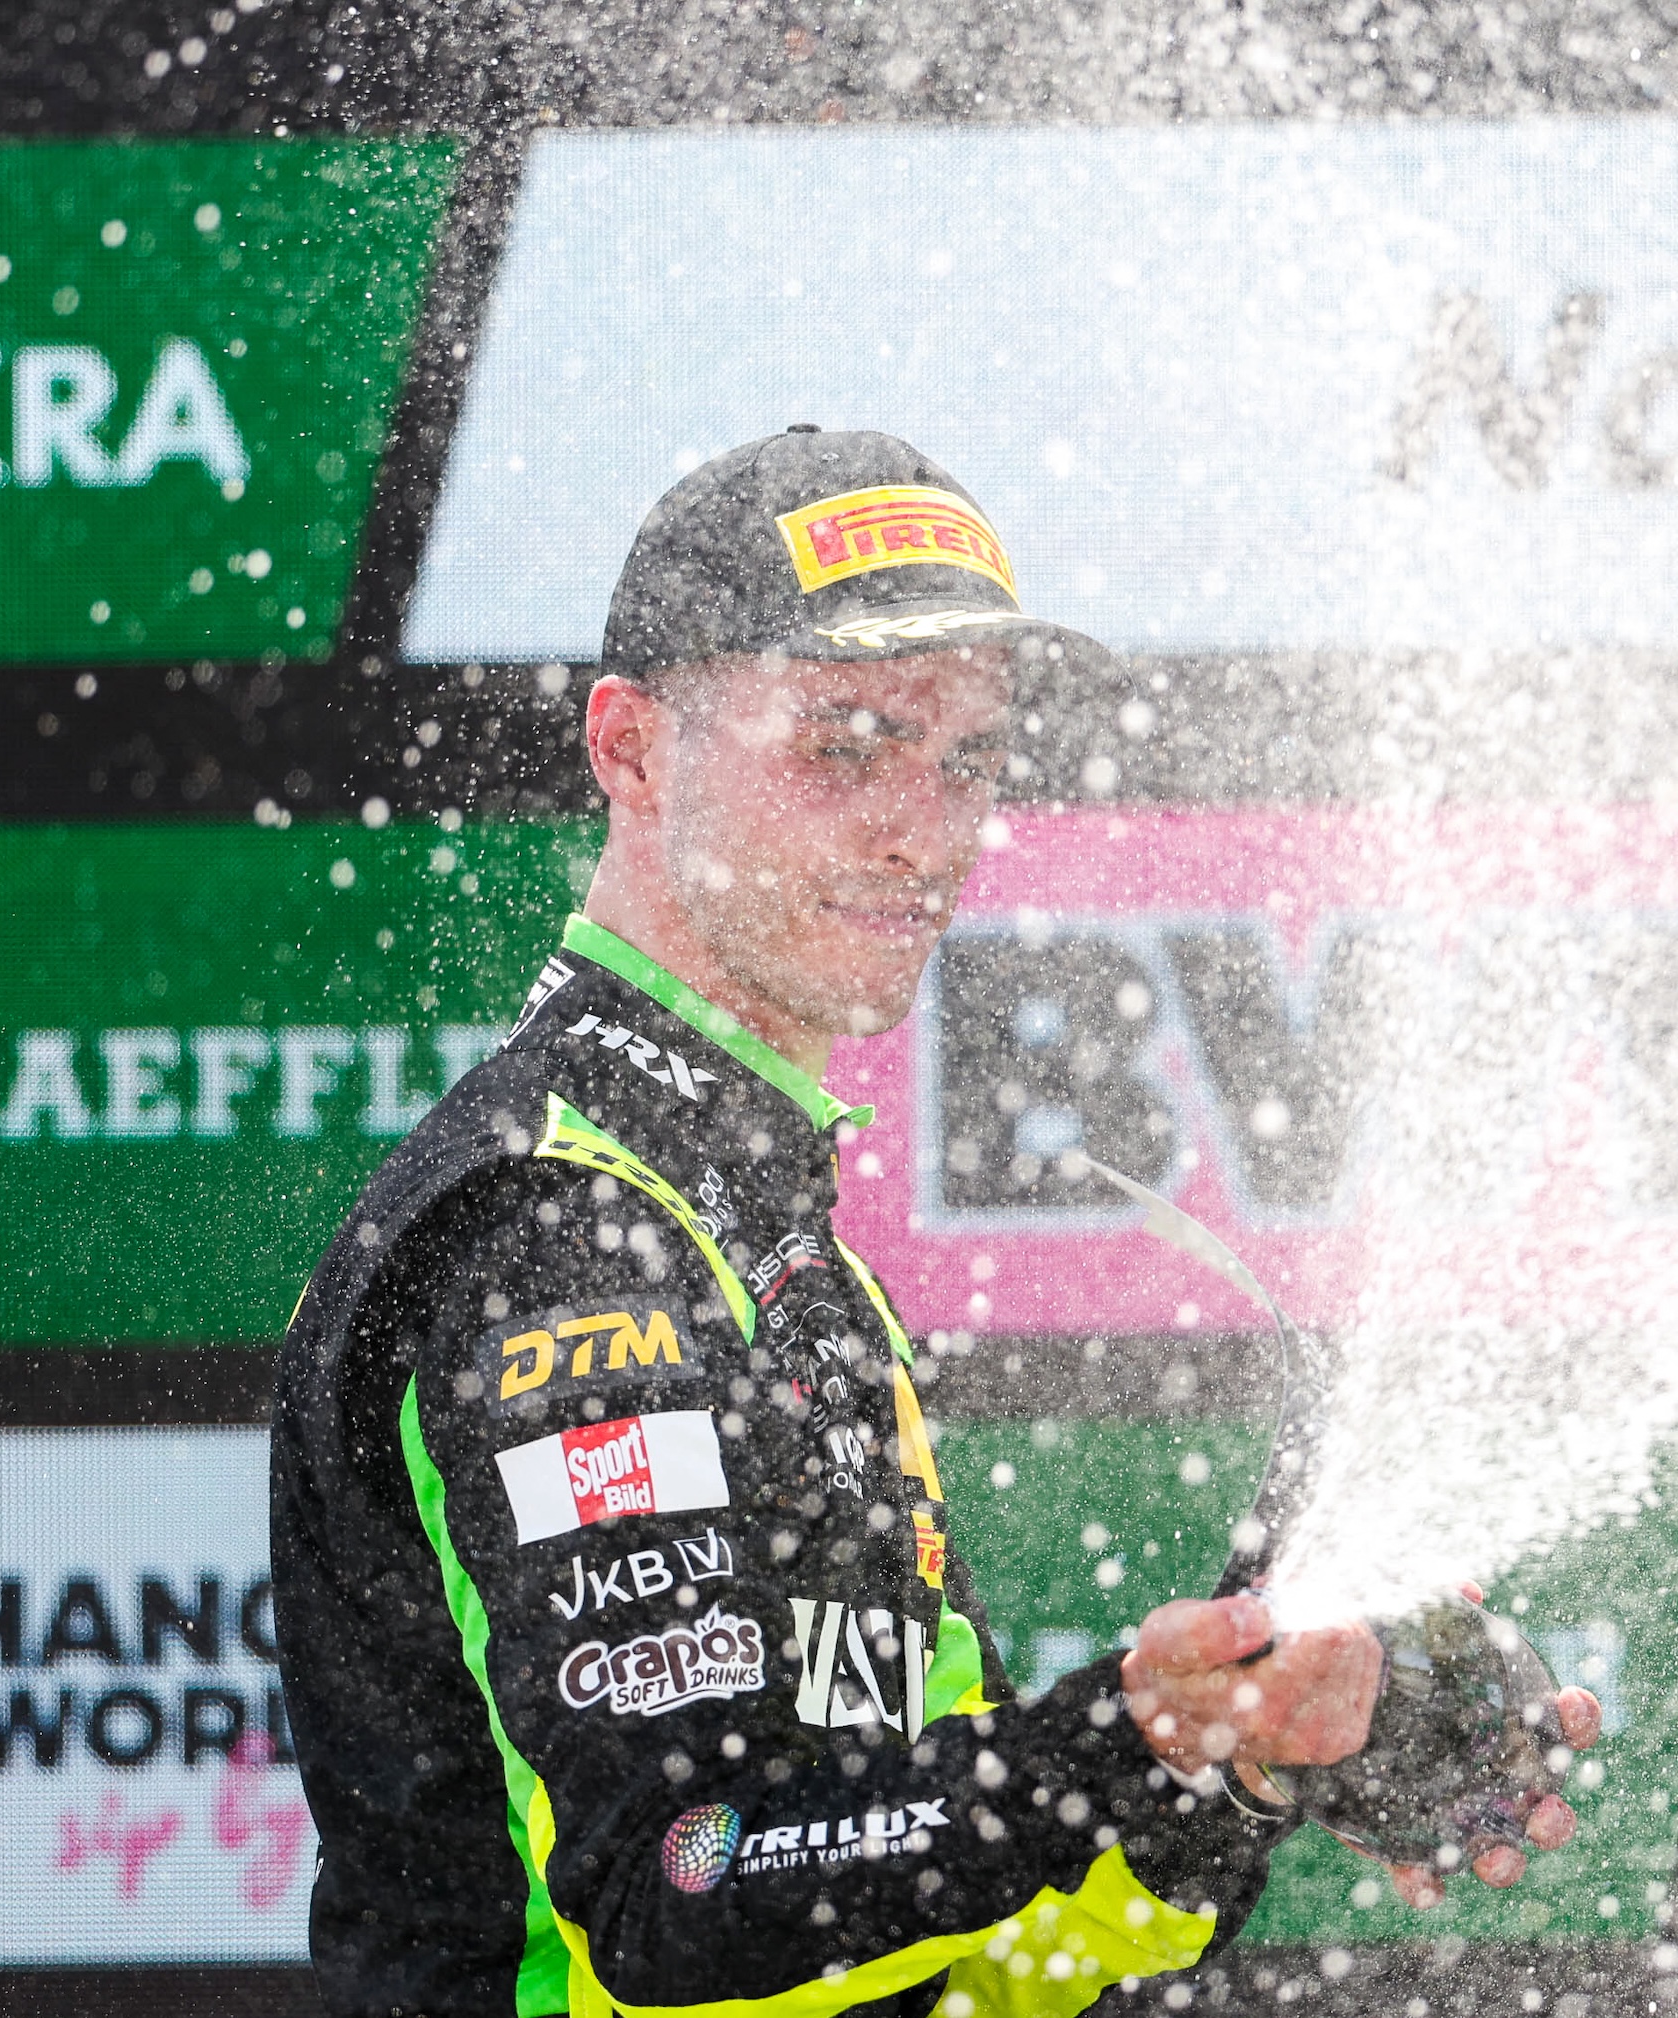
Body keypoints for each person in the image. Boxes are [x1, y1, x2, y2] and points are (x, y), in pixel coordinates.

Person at [269, 428, 1601, 2018]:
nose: (927, 826)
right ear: (630, 747)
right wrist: (1111, 1744)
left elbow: (978, 1967)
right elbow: (680, 1893)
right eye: (846, 742)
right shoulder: (563, 1221)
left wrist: (1227, 1761)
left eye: (969, 756)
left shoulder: (762, 1234)